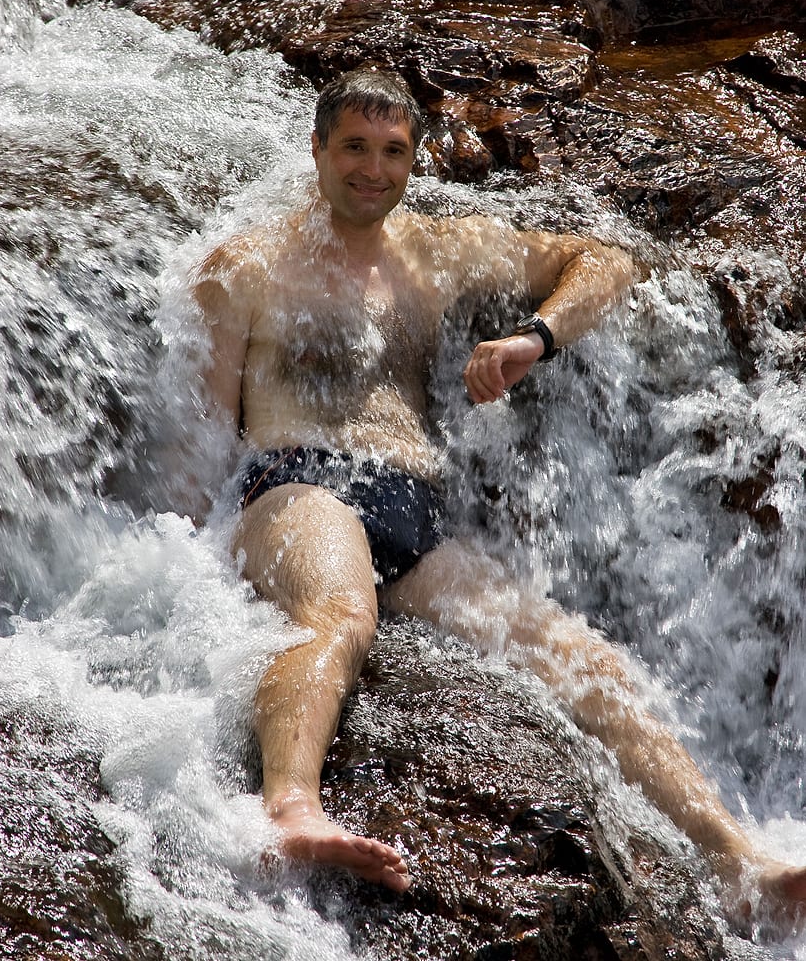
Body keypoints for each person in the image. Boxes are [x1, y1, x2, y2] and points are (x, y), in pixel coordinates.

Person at [191, 66, 806, 923]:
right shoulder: (246, 267)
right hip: (295, 487)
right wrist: (194, 555)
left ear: (414, 160)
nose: (374, 169)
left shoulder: (435, 254)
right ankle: (291, 812)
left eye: (393, 152)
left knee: (581, 659)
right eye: (355, 149)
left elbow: (605, 260)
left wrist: (532, 338)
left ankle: (743, 865)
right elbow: (204, 436)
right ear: (318, 150)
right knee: (340, 615)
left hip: (413, 514)